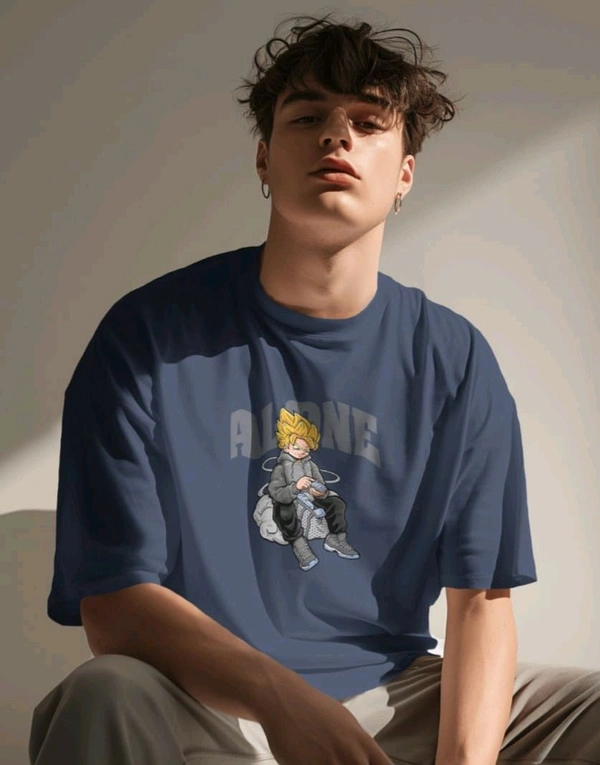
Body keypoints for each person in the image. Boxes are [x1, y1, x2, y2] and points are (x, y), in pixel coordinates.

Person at [29, 12, 600, 765]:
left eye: (368, 122)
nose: (337, 137)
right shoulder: (146, 340)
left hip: (394, 699)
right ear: (263, 159)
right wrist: (279, 700)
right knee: (102, 693)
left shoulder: (453, 359)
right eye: (308, 118)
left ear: (405, 173)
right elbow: (112, 603)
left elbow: (482, 601)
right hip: (207, 701)